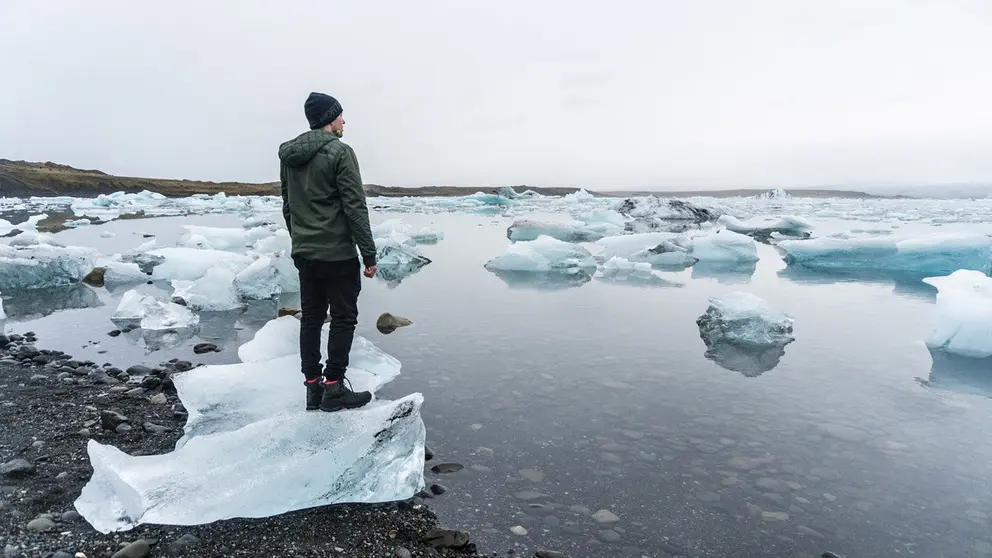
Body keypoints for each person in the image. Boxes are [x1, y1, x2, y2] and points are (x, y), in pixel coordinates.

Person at [277, 91, 378, 412]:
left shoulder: (289, 156)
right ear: (328, 119)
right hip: (337, 254)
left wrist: (300, 241)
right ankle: (333, 389)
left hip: (306, 254)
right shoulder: (340, 152)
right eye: (340, 115)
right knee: (344, 318)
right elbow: (355, 207)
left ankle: (312, 389)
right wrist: (369, 254)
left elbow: (288, 205)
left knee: (311, 319)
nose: (344, 120)